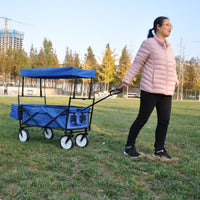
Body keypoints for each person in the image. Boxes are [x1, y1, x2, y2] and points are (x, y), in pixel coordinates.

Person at [120, 16, 178, 159]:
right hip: (150, 88)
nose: (170, 28)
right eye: (167, 25)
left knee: (164, 121)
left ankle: (159, 150)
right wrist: (126, 81)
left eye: (171, 26)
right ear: (157, 27)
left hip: (166, 91)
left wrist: (175, 79)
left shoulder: (169, 47)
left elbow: (172, 66)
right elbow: (137, 64)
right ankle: (129, 147)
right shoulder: (148, 43)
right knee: (142, 119)